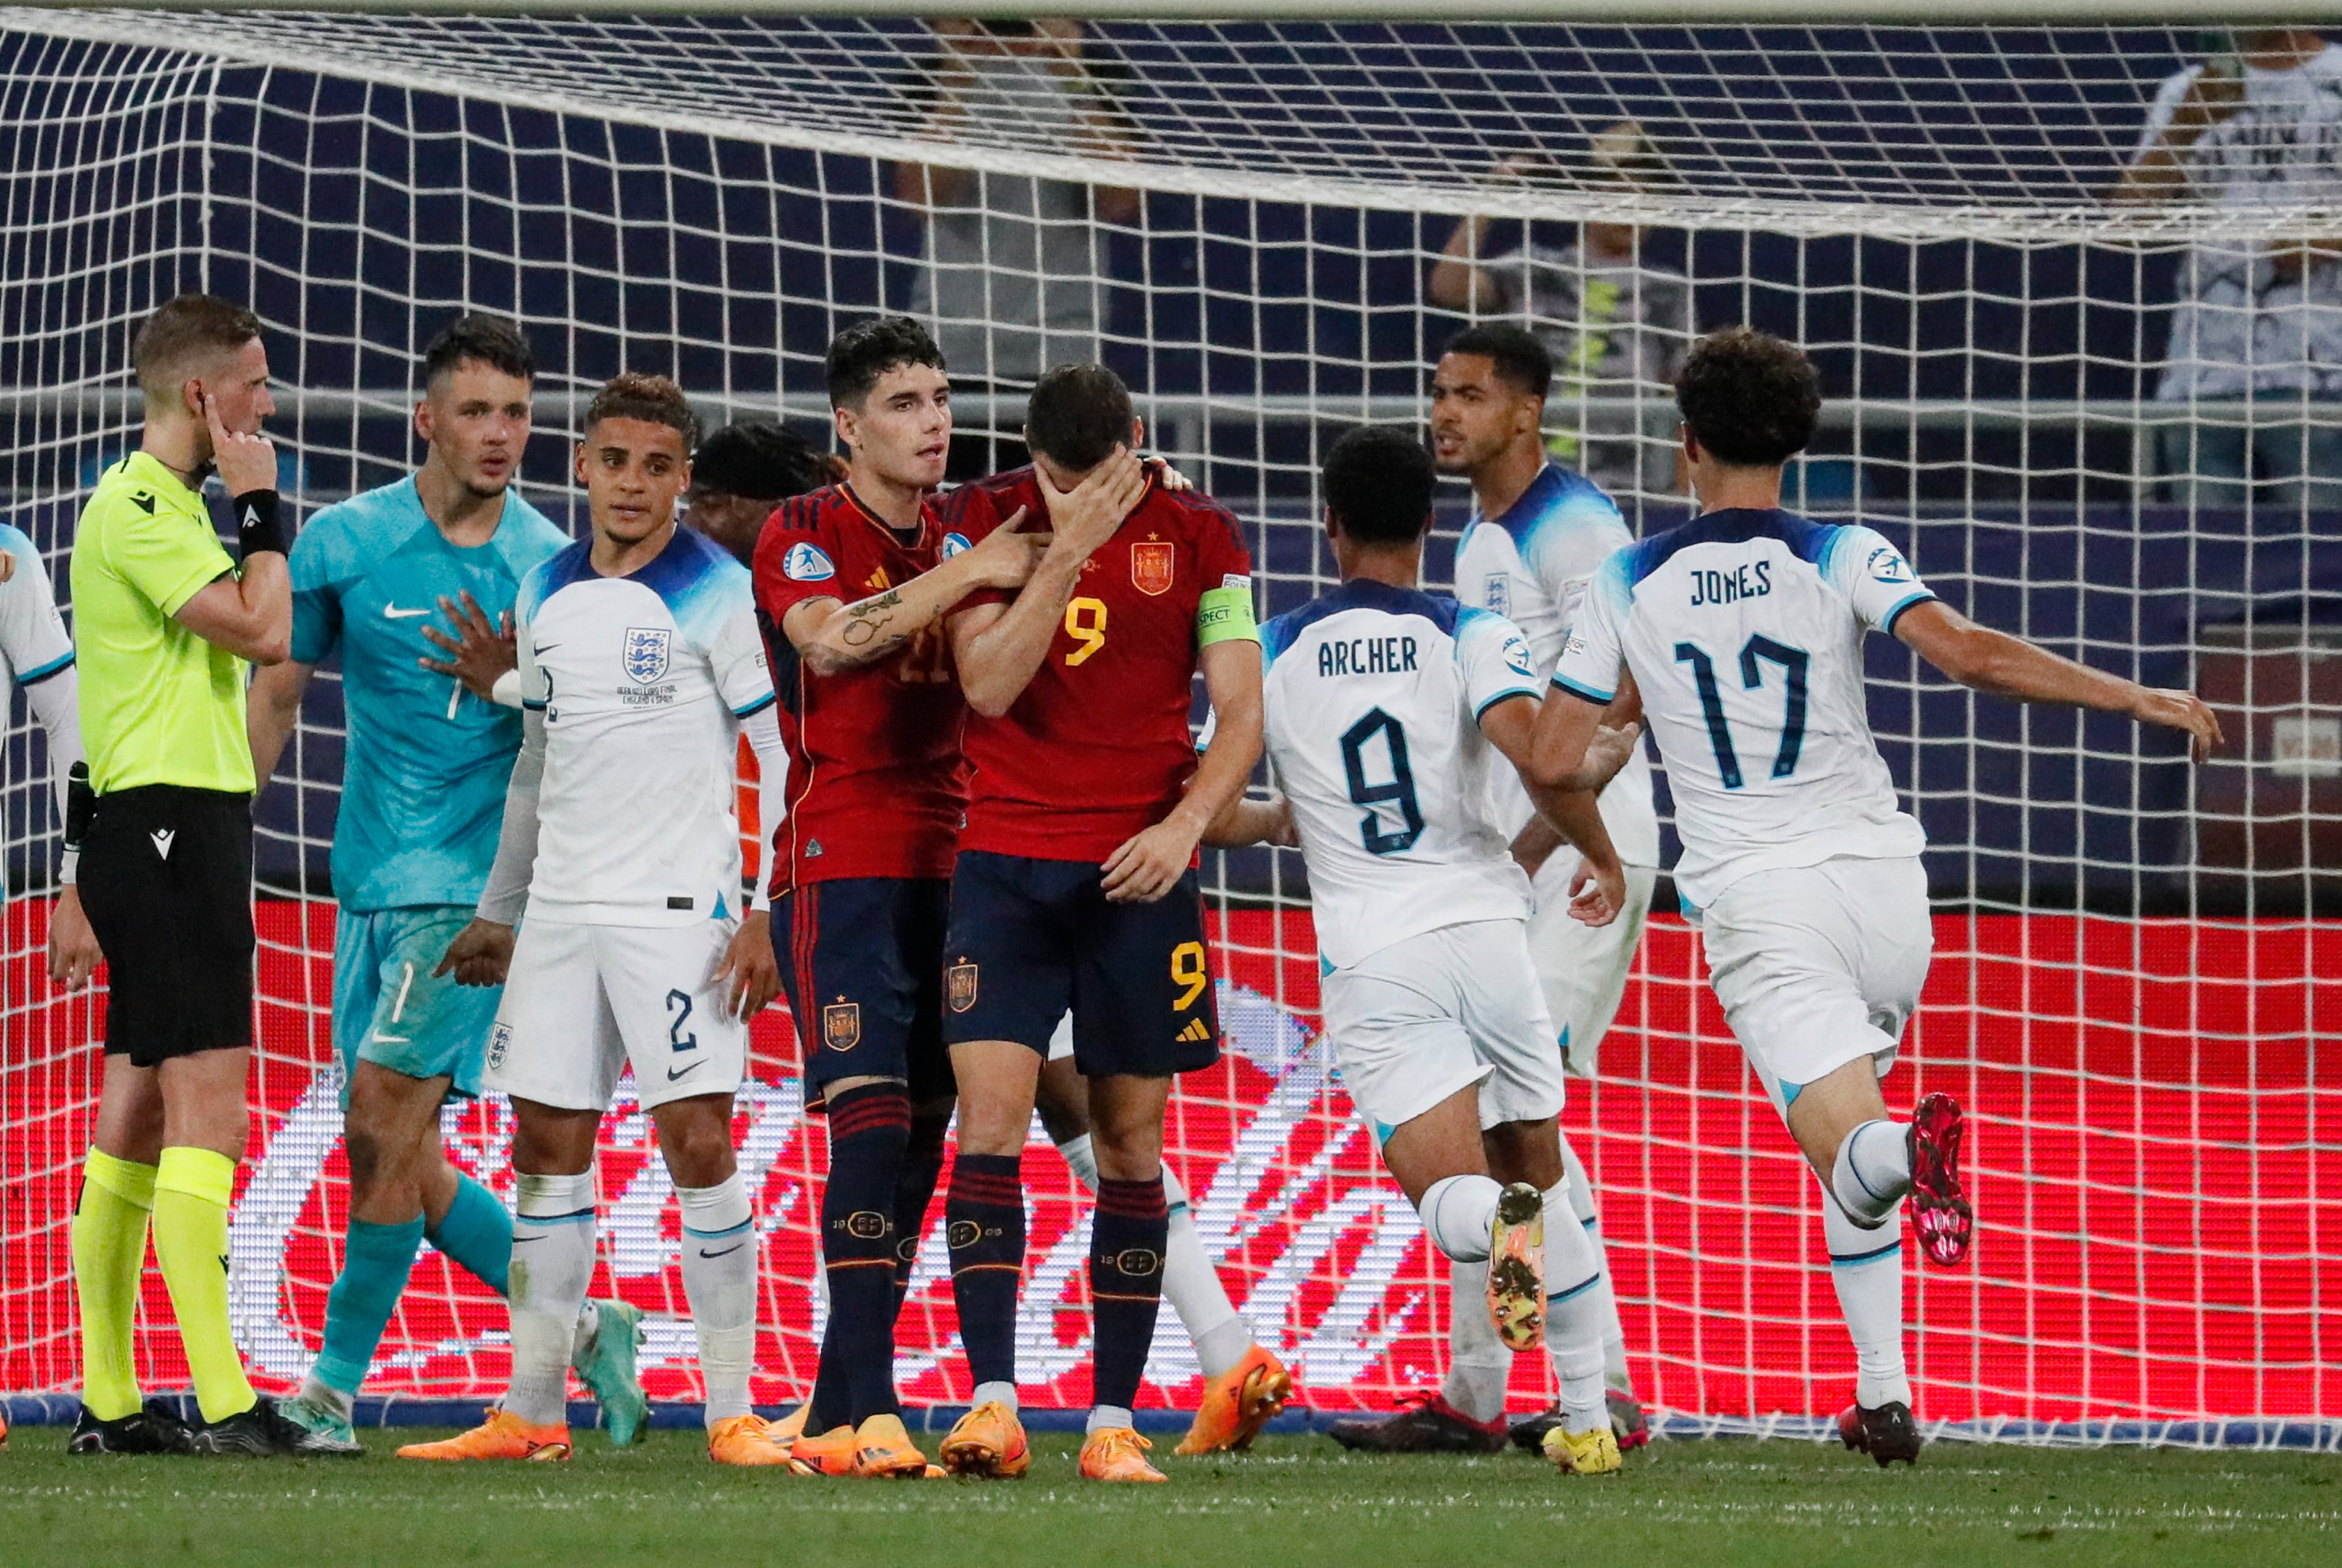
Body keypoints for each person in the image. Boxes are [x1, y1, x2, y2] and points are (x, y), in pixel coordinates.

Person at [1530, 327, 2224, 1465]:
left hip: (1763, 904)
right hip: (1889, 893)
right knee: (1845, 1159)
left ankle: (1920, 1145)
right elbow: (1972, 655)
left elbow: (1557, 756)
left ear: (1685, 443)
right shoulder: (1843, 547)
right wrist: (2136, 698)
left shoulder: (1626, 578)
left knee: (1862, 1150)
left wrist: (1606, 814)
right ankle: (1884, 1396)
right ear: (1794, 444)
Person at [245, 316, 647, 1454]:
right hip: (364, 885)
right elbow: (278, 694)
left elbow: (599, 744)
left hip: (475, 901)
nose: (500, 435)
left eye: (517, 414)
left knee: (380, 1115)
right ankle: (585, 1327)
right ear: (426, 419)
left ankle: (327, 1395)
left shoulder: (551, 572)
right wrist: (231, 831)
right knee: (396, 1152)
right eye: (476, 411)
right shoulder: (347, 542)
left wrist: (519, 684)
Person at [1224, 425, 1638, 1476]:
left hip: (1377, 953)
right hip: (1489, 930)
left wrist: (1269, 822)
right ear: (1429, 524)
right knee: (1542, 1169)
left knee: (1458, 1203)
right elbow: (1539, 759)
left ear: (1328, 527)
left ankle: (1499, 1233)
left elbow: (1208, 797)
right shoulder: (1472, 629)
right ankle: (1590, 1418)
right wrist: (1601, 852)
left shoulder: (1270, 647)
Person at [407, 373, 789, 1466]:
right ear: (581, 465)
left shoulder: (718, 592)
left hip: (681, 914)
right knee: (545, 1151)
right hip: (564, 916)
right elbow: (536, 762)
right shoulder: (544, 588)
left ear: (683, 479)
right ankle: (532, 1412)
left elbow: (784, 758)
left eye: (658, 466)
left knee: (698, 1144)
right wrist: (500, 912)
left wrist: (764, 913)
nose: (633, 484)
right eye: (614, 461)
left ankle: (731, 1412)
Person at [932, 363, 1261, 1483]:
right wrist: (1064, 545)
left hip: (1139, 875)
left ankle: (1115, 1421)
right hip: (1006, 869)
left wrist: (1187, 827)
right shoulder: (981, 520)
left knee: (1128, 1146)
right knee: (990, 1124)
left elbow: (1242, 715)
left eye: (1095, 478)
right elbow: (984, 686)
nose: (1073, 493)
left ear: (1136, 441)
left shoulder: (1204, 533)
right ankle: (990, 1405)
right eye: (1055, 476)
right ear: (1031, 453)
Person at [1334, 323, 1652, 1457]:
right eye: (1438, 393)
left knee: (1528, 1124)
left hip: (1581, 847)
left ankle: (1587, 1389)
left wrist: (1539, 843)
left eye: (1469, 396)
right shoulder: (1478, 540)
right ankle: (1490, 1385)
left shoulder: (1578, 528)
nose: (1445, 413)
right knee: (1503, 1124)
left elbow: (1632, 685)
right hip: (1518, 854)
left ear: (1527, 413)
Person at [751, 318, 1047, 1478]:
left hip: (962, 861)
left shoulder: (965, 520)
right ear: (849, 424)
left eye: (941, 400)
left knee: (926, 1135)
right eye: (907, 403)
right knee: (870, 1125)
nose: (935, 422)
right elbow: (830, 647)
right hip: (846, 857)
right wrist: (967, 573)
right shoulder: (805, 531)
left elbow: (1075, 487)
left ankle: (836, 1405)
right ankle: (866, 1411)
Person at [66, 293, 296, 1454]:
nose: (269, 404)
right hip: (168, 826)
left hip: (158, 823)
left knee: (141, 1108)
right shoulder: (147, 508)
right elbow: (263, 631)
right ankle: (227, 1402)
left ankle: (111, 1404)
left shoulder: (157, 508)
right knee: (211, 1094)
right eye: (254, 384)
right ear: (202, 395)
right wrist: (263, 507)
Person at [897, 17, 1140, 479]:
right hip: (953, 350)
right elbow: (919, 195)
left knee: (1067, 532)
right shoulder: (933, 71)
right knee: (952, 532)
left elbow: (1121, 198)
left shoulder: (1096, 71)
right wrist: (958, 74)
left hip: (1062, 352)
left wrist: (1071, 74)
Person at [2114, 28, 2342, 512]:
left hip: (2324, 368)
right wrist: (2184, 127)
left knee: (2324, 559)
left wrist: (2328, 241)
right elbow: (2126, 221)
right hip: (2203, 369)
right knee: (2204, 566)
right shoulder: (2190, 89)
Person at [1428, 122, 1693, 506]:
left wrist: (1682, 494)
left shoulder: (1668, 289)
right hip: (1529, 481)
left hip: (1630, 491)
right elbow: (1448, 287)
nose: (1629, 201)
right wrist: (1489, 199)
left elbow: (1681, 395)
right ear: (1587, 192)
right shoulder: (1535, 268)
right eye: (1615, 186)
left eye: (1644, 190)